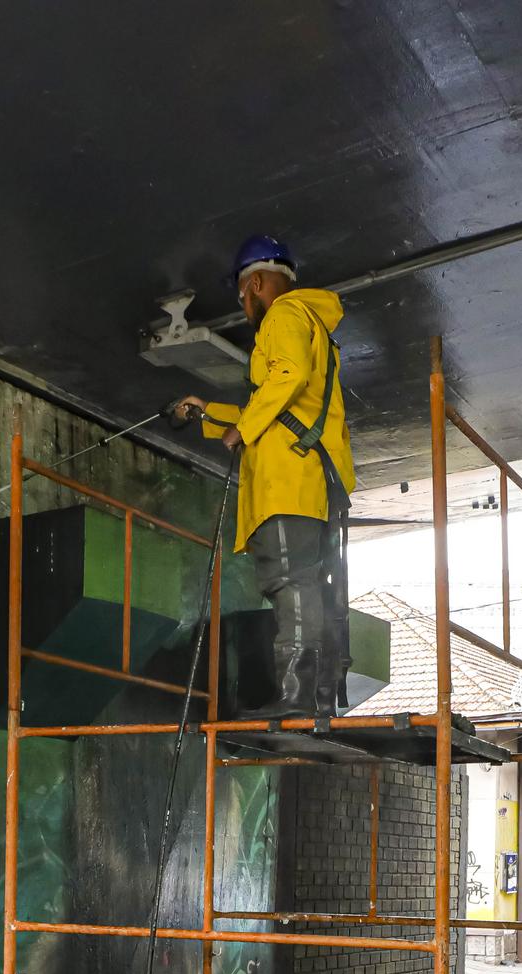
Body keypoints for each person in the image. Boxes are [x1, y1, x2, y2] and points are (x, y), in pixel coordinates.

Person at [172, 235, 355, 719]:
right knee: (308, 585)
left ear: (255, 284)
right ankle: (318, 699)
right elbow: (275, 408)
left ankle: (296, 696)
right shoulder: (310, 323)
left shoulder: (283, 315)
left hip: (288, 481)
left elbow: (287, 377)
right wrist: (210, 413)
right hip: (309, 479)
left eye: (240, 294)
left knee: (289, 582)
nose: (243, 304)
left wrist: (242, 429)